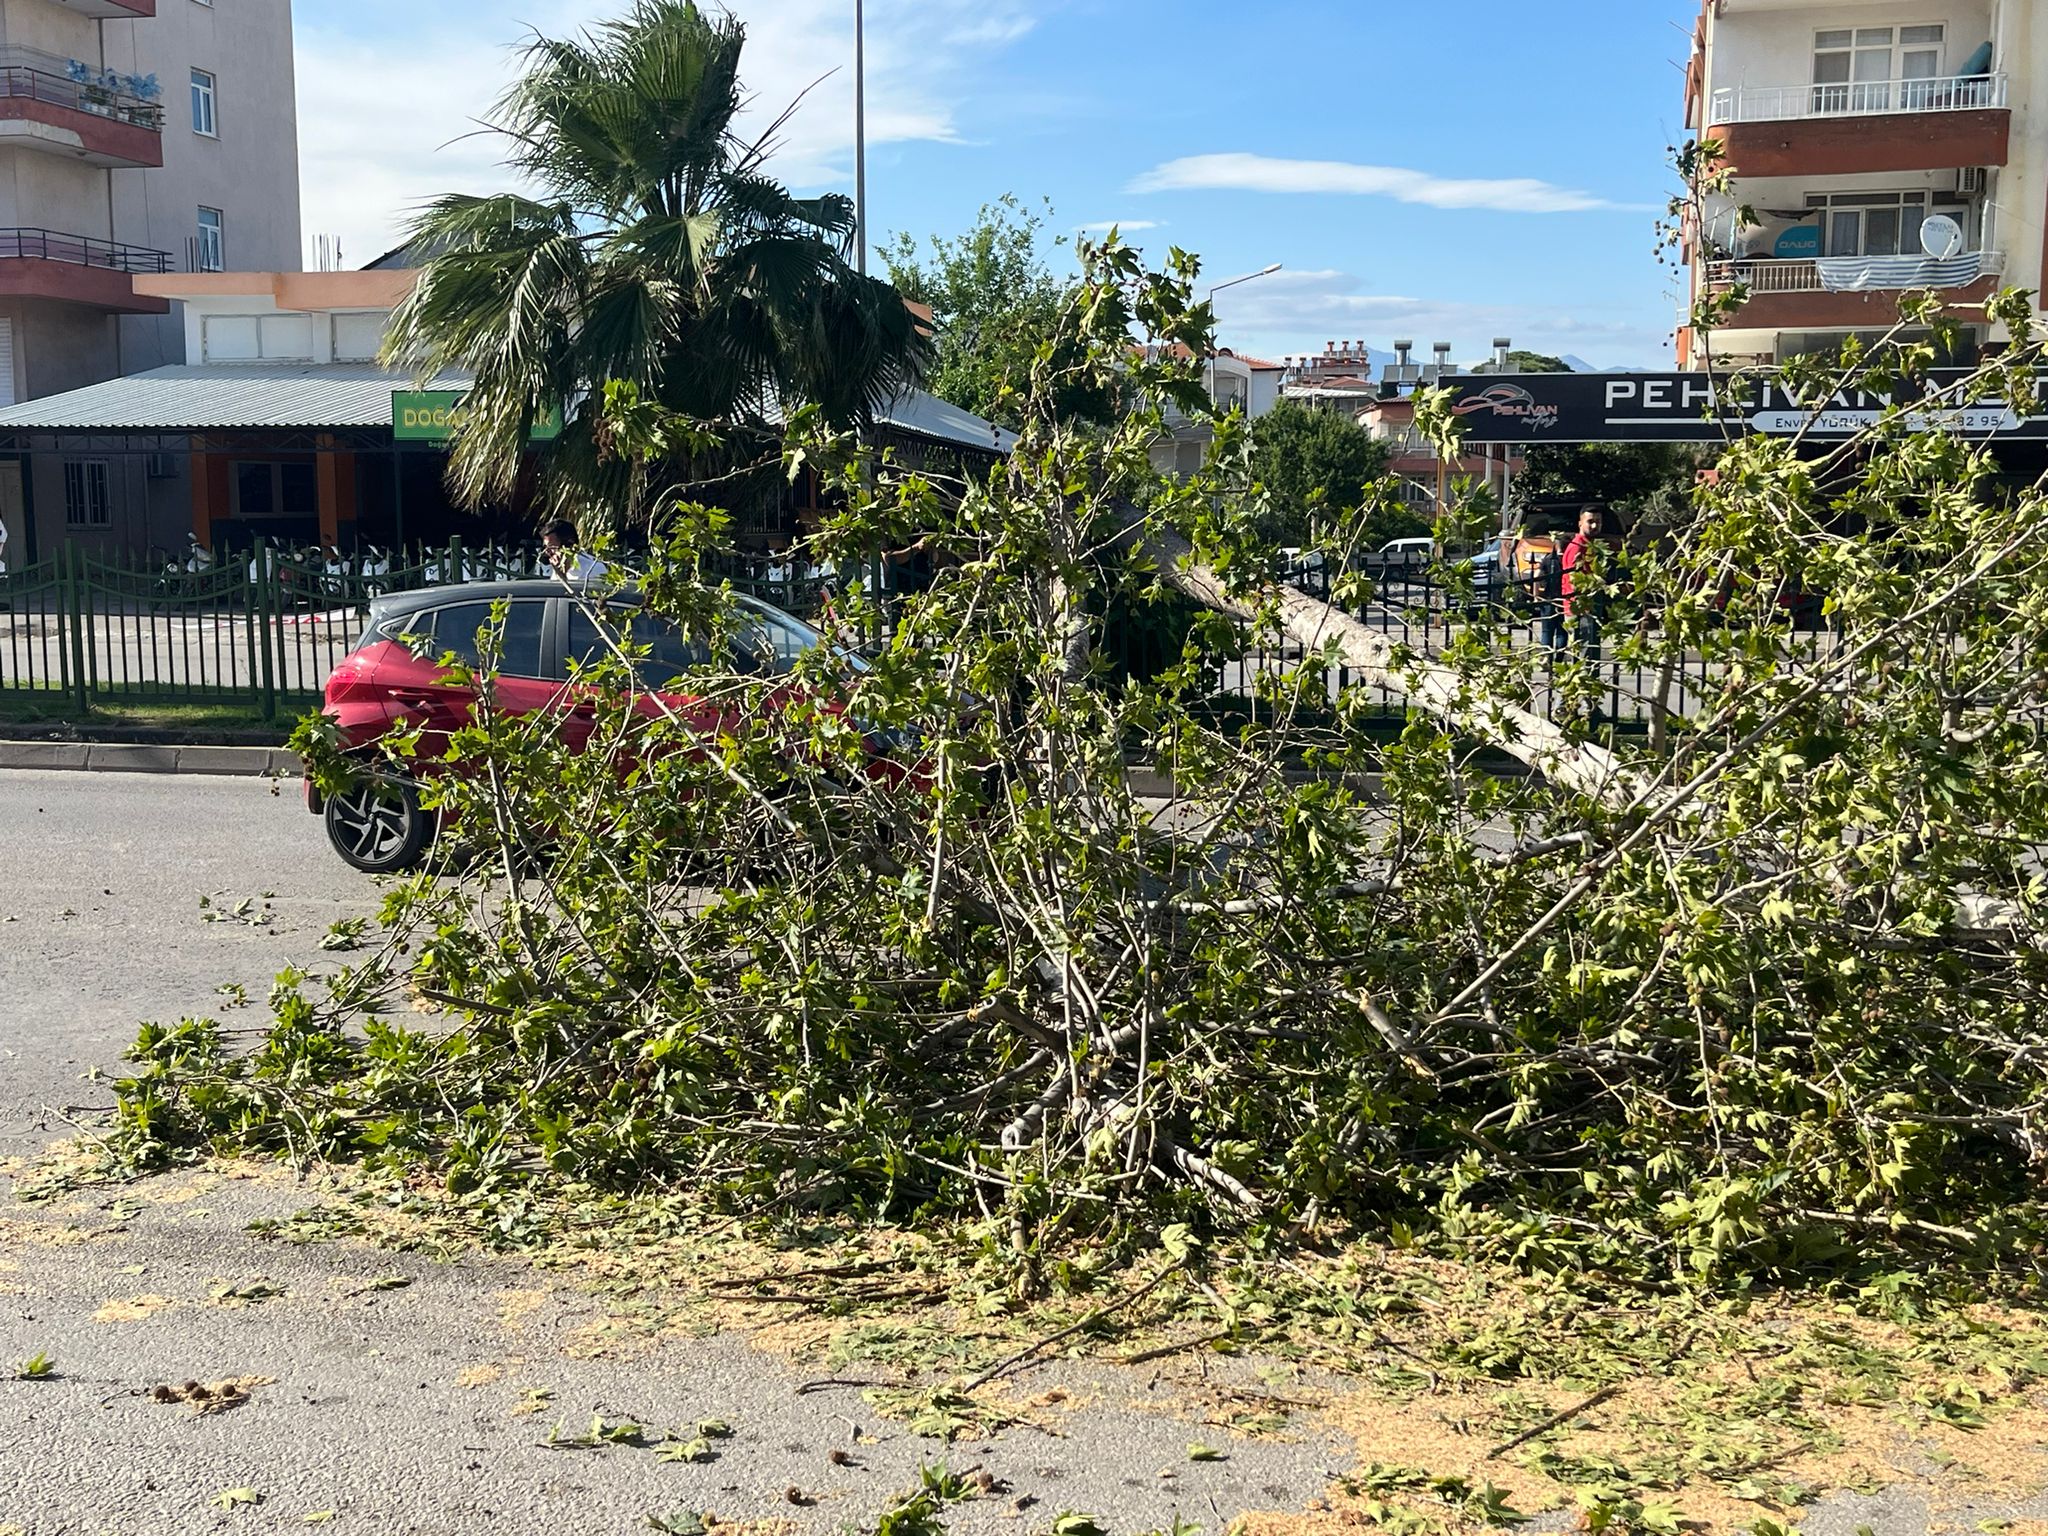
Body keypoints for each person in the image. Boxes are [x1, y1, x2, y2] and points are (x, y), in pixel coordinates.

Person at [542, 518, 606, 581]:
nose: (547, 552)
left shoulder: (594, 568)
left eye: (551, 546)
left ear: (569, 544)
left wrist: (561, 574)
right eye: (546, 547)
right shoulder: (557, 566)